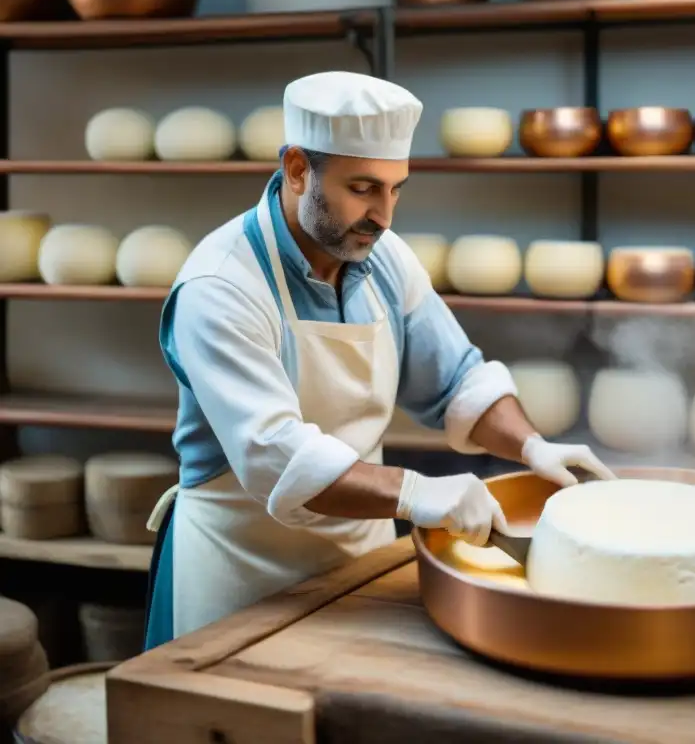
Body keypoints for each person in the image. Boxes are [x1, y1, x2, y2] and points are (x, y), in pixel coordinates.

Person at [142, 71, 614, 650]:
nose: (384, 216)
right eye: (363, 188)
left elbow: (457, 379)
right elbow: (280, 459)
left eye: (395, 190)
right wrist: (417, 493)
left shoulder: (384, 261)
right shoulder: (221, 287)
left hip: (354, 566)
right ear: (297, 170)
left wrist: (533, 446)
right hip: (239, 572)